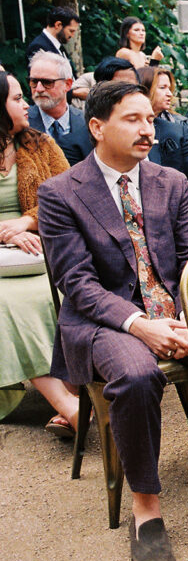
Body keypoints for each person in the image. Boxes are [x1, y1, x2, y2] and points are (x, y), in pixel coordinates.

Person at [36, 81, 188, 561]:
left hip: (179, 304)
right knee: (137, 375)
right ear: (97, 127)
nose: (147, 130)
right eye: (132, 120)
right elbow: (75, 283)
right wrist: (140, 324)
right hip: (107, 316)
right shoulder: (59, 193)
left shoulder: (171, 181)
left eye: (150, 120)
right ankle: (147, 507)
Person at [0, 71, 80, 436]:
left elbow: (68, 199)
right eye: (17, 98)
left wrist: (28, 223)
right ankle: (69, 407)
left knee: (68, 290)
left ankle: (74, 393)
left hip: (39, 248)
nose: (27, 104)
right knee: (9, 302)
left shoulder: (41, 144)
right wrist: (6, 232)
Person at [26, 52, 92, 167]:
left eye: (47, 82)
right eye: (34, 82)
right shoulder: (22, 123)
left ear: (67, 84)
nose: (39, 89)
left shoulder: (88, 123)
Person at [137, 67, 188, 184]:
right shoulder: (128, 129)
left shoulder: (180, 125)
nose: (169, 94)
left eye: (169, 88)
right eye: (162, 88)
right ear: (145, 90)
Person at [25, 6, 80, 75]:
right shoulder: (38, 47)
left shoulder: (58, 46)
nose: (72, 35)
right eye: (71, 31)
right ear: (58, 25)